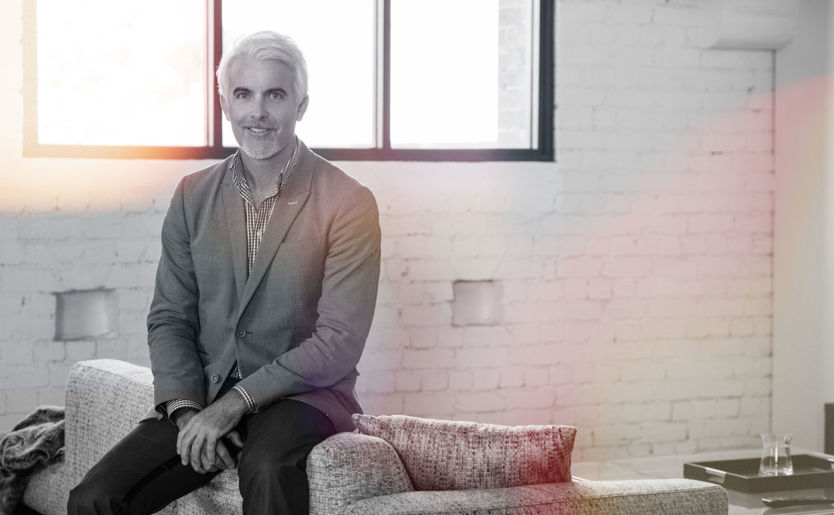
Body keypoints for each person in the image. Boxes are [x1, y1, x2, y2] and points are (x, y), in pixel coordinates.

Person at [67, 31, 381, 514]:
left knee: (268, 469)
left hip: (303, 398)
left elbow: (338, 341)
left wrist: (234, 404)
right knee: (94, 498)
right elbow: (170, 317)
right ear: (225, 105)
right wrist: (188, 410)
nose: (258, 112)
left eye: (275, 95)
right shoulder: (192, 195)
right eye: (244, 94)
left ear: (301, 106)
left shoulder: (349, 202)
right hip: (206, 393)